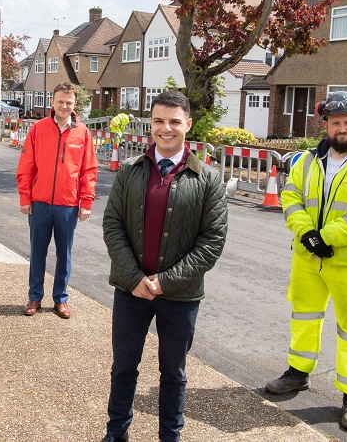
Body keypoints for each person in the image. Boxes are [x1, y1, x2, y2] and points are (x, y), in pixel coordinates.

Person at [100, 90, 227, 442]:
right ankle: (116, 432)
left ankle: (170, 435)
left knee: (174, 372)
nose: (166, 128)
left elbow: (212, 242)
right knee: (124, 367)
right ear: (150, 124)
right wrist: (135, 278)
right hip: (131, 291)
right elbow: (113, 226)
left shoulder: (209, 179)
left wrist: (165, 282)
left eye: (174, 121)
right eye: (158, 121)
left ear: (188, 124)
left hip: (180, 296)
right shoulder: (130, 171)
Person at [265, 91, 347, 431]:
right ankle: (298, 373)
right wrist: (307, 234)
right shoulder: (306, 161)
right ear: (325, 124)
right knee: (304, 317)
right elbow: (290, 198)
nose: (342, 128)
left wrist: (325, 237)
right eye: (335, 122)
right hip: (308, 258)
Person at [16, 81, 98, 319]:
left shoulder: (82, 133)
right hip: (39, 203)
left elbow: (89, 170)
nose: (64, 106)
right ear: (52, 101)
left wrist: (87, 201)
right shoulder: (38, 129)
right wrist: (25, 196)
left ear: (75, 105)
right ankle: (34, 297)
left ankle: (60, 299)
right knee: (37, 251)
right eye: (60, 101)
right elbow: (26, 165)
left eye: (69, 102)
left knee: (65, 253)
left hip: (68, 205)